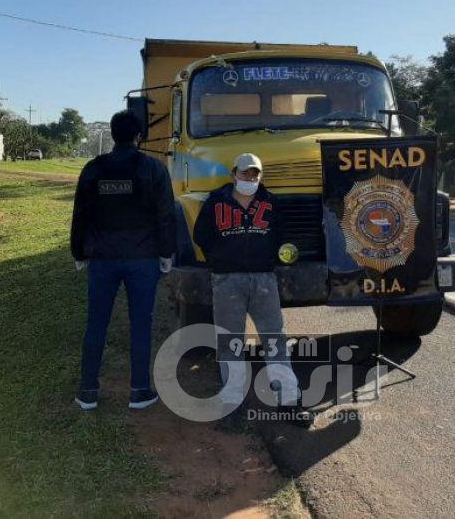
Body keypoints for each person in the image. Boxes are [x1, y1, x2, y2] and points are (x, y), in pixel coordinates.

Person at [193, 153, 311, 427]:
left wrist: (270, 259)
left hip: (263, 280)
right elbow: (201, 235)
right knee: (230, 342)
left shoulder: (270, 203)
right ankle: (232, 404)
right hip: (226, 280)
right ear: (234, 173)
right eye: (246, 173)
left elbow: (282, 236)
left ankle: (289, 401)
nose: (250, 178)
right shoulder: (216, 201)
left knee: (275, 339)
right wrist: (219, 260)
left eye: (255, 174)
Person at [70, 110, 176, 411]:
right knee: (141, 324)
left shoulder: (94, 168)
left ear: (114, 134)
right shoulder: (153, 169)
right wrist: (166, 253)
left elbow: (81, 213)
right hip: (142, 260)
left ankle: (88, 391)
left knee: (96, 323)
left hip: (103, 259)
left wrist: (79, 252)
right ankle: (139, 390)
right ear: (139, 136)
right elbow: (165, 215)